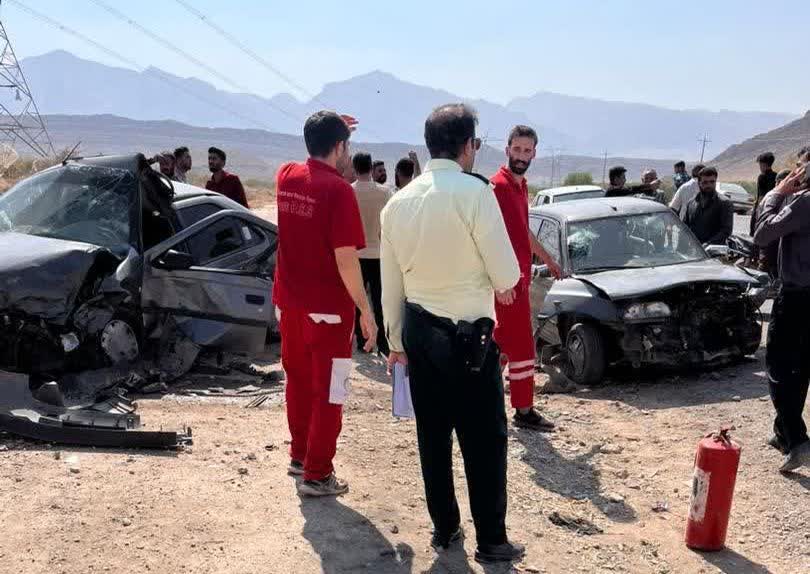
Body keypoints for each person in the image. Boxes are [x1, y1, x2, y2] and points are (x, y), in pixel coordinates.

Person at [381, 103, 525, 564]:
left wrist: (396, 344)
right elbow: (507, 273)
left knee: (433, 437)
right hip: (471, 340)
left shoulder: (397, 203)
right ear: (468, 146)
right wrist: (496, 283)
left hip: (421, 334)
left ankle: (445, 529)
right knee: (484, 439)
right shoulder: (474, 194)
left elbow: (391, 286)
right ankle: (492, 540)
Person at [273, 111, 377, 497]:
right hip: (329, 312)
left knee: (298, 383)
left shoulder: (285, 176)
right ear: (339, 147)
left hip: (291, 305)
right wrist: (366, 310)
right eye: (346, 145)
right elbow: (346, 258)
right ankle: (317, 474)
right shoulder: (339, 191)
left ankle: (300, 456)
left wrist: (332, 125)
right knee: (331, 391)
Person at [491, 125, 560, 432]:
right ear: (507, 150)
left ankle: (489, 404)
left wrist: (549, 260)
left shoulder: (521, 187)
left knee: (502, 346)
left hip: (520, 281)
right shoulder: (498, 187)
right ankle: (523, 409)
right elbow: (491, 237)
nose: (521, 156)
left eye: (527, 151)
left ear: (534, 153)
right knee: (521, 348)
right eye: (516, 150)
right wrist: (500, 281)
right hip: (507, 283)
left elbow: (523, 232)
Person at [753, 166, 810, 472]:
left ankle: (797, 441)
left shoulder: (803, 202)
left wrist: (775, 195)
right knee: (800, 367)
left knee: (779, 367)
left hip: (798, 296)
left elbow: (762, 233)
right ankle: (783, 433)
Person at [351, 151, 393, 355]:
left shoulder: (349, 191)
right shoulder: (385, 192)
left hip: (356, 254)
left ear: (354, 167)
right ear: (370, 167)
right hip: (379, 253)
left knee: (359, 301)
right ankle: (384, 343)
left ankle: (362, 340)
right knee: (379, 300)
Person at [682, 166, 733, 246]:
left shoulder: (724, 203)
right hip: (695, 251)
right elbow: (685, 228)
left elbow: (726, 231)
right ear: (699, 183)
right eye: (705, 182)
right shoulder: (691, 203)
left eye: (712, 182)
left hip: (716, 253)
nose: (709, 185)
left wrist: (708, 244)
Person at [752, 152, 777, 234]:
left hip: (762, 208)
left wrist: (757, 212)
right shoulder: (776, 176)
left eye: (760, 164)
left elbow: (761, 196)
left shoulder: (762, 177)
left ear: (764, 164)